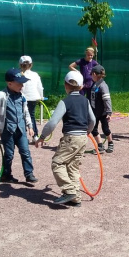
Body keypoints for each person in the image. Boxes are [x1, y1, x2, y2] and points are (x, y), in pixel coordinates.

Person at [35, 71, 95, 207]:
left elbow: (52, 122)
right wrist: (87, 131)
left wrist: (42, 137)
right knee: (73, 167)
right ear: (81, 87)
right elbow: (92, 120)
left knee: (57, 163)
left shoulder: (65, 102)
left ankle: (69, 191)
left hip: (71, 137)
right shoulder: (85, 101)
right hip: (82, 138)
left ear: (65, 85)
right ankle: (76, 198)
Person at [0, 69, 38, 184]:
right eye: (19, 83)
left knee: (25, 152)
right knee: (9, 154)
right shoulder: (1, 96)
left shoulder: (22, 96)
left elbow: (26, 112)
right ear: (10, 83)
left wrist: (30, 126)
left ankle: (29, 174)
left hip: (20, 129)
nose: (22, 85)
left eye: (23, 83)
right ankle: (6, 174)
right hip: (7, 130)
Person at [86, 64, 114, 153]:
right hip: (94, 111)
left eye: (91, 74)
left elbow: (107, 99)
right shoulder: (94, 85)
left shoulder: (103, 85)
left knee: (105, 129)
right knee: (93, 129)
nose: (90, 76)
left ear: (94, 74)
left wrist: (109, 112)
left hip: (103, 112)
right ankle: (100, 146)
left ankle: (110, 143)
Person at [19, 55, 44, 143]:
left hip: (22, 98)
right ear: (31, 65)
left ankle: (23, 136)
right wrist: (41, 96)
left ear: (20, 64)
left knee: (22, 116)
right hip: (33, 97)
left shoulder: (19, 75)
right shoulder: (35, 74)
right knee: (31, 116)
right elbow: (40, 87)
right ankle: (35, 136)